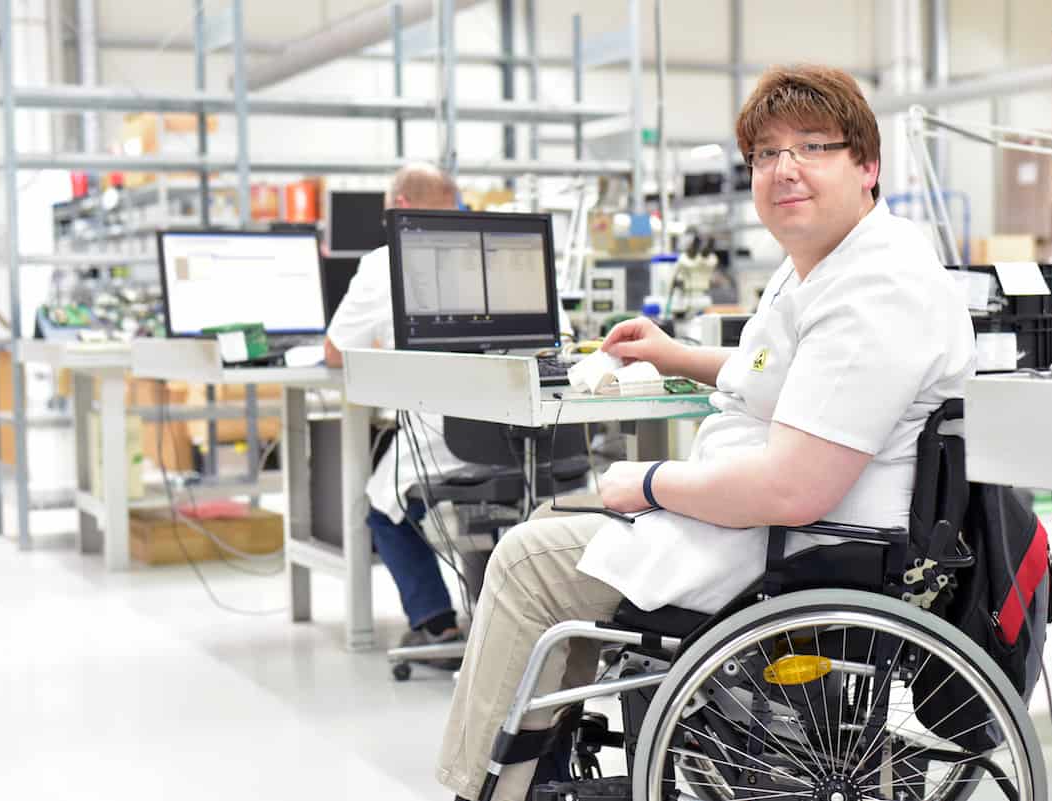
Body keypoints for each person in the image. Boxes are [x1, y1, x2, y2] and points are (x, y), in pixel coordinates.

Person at [437, 64, 977, 801]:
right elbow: (778, 369)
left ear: (867, 166)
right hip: (781, 524)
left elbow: (792, 486)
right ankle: (538, 757)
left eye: (813, 146)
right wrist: (673, 353)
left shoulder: (876, 291)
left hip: (800, 543)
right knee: (551, 522)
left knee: (526, 559)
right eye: (765, 154)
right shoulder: (830, 264)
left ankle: (479, 787)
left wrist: (650, 482)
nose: (784, 169)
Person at [324, 163, 469, 652]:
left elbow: (335, 352)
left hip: (446, 433)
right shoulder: (485, 253)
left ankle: (437, 622)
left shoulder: (383, 263)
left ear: (399, 206)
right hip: (521, 435)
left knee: (381, 507)